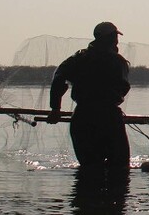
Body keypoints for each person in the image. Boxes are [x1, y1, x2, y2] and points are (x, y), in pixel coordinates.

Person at [48, 22, 131, 174]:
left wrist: (55, 109)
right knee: (119, 168)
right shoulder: (117, 61)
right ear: (111, 38)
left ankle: (87, 196)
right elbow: (124, 87)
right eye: (115, 37)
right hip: (110, 118)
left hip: (83, 117)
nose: (117, 40)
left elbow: (59, 79)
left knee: (89, 168)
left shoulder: (78, 58)